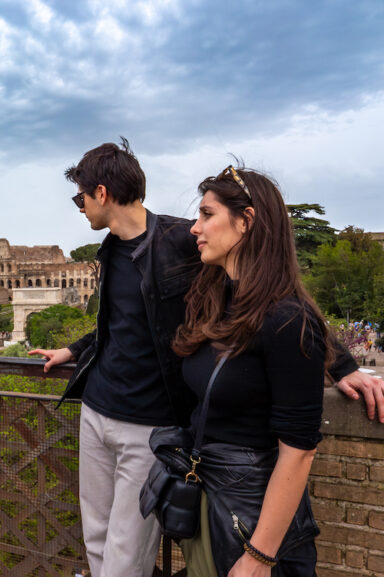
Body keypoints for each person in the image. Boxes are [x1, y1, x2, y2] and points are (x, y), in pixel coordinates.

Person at [29, 140, 382, 577]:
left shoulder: (182, 241)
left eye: (79, 196)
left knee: (126, 552)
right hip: (105, 411)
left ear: (100, 193)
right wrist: (75, 350)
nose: (200, 226)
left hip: (152, 422)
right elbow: (121, 323)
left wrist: (343, 365)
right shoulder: (109, 253)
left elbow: (284, 300)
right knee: (97, 536)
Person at [172, 166, 334, 575]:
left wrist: (259, 557)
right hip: (217, 508)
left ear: (245, 221)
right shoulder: (219, 301)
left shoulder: (288, 319)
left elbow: (299, 452)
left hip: (254, 526)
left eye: (207, 214)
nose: (195, 228)